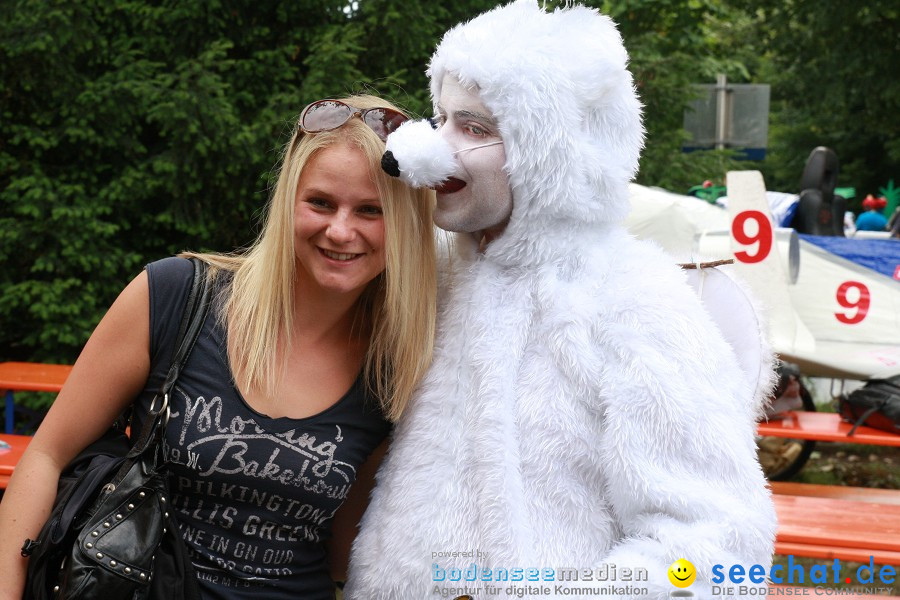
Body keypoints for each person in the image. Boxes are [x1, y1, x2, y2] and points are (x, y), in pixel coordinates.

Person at [346, 2, 776, 599]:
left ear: (551, 153)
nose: (433, 146)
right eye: (440, 117)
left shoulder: (637, 305)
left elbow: (718, 542)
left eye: (473, 127)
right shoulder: (436, 279)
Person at [0, 94, 437, 599]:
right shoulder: (175, 296)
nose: (341, 230)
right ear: (288, 199)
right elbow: (46, 457)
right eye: (320, 202)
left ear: (404, 225)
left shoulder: (400, 366)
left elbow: (344, 557)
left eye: (370, 210)